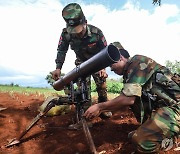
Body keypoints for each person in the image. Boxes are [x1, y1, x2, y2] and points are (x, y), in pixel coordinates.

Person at [84, 42, 180, 153]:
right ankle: (156, 129)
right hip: (167, 108)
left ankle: (173, 139)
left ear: (120, 58)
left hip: (176, 108)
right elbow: (126, 101)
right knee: (134, 133)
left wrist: (100, 107)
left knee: (142, 142)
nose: (110, 69)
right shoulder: (129, 73)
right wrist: (102, 108)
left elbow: (127, 99)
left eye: (111, 65)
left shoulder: (137, 62)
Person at [51, 3, 112, 122]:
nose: (77, 33)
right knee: (83, 89)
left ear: (85, 22)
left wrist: (103, 68)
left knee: (102, 86)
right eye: (73, 31)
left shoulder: (96, 33)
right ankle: (86, 115)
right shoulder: (66, 34)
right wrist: (58, 68)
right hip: (81, 63)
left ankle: (103, 109)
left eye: (79, 30)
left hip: (98, 63)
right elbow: (62, 50)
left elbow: (105, 51)